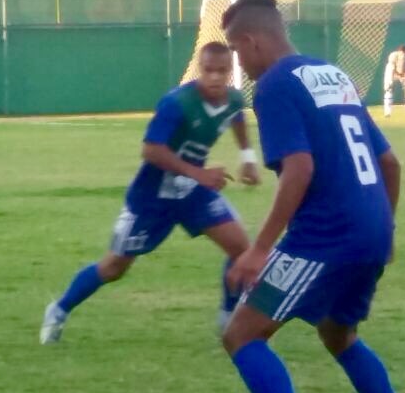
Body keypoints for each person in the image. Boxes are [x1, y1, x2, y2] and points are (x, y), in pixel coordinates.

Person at [220, 0, 405, 393]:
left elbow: (300, 170)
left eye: (235, 49)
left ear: (251, 41)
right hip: (371, 228)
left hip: (326, 235)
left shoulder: (272, 87)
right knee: (340, 335)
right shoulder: (332, 74)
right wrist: (386, 230)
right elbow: (392, 163)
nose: (238, 63)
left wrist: (259, 250)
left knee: (242, 335)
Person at [39, 42, 260, 345]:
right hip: (152, 196)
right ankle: (59, 309)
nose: (215, 78)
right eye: (208, 71)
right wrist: (199, 173)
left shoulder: (234, 99)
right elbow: (151, 150)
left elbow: (236, 117)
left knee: (241, 249)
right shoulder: (177, 103)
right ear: (199, 69)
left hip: (193, 192)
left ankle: (228, 321)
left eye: (222, 71)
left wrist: (247, 156)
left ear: (230, 71)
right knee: (114, 267)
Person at [383, 44, 405, 118]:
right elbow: (392, 69)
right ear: (398, 52)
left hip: (402, 72)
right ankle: (387, 112)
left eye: (404, 53)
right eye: (401, 53)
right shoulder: (393, 56)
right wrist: (398, 77)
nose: (402, 55)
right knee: (389, 90)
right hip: (391, 72)